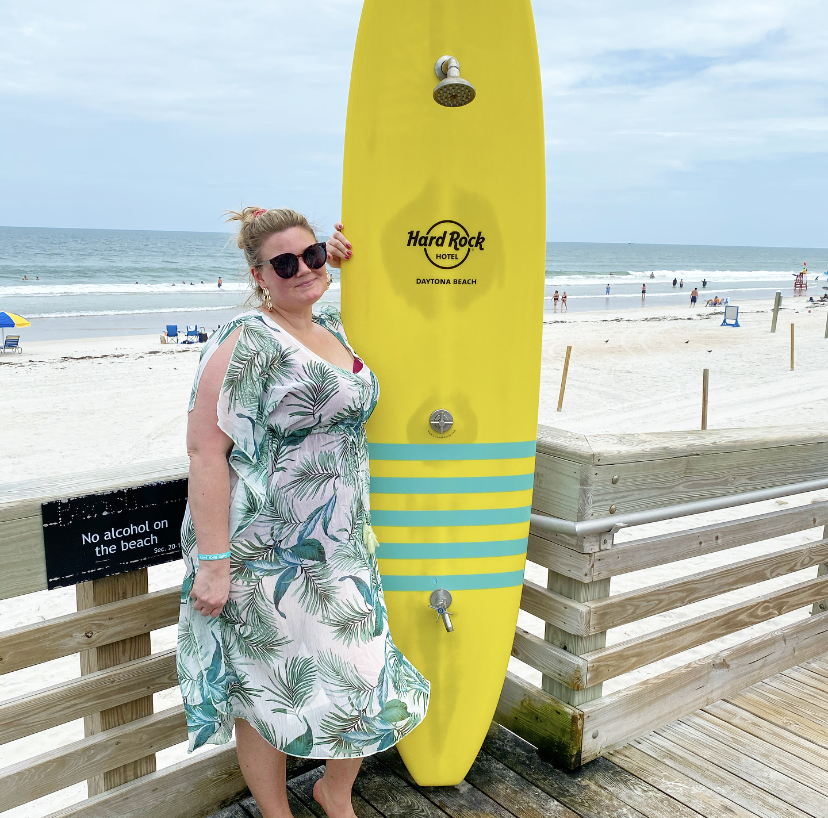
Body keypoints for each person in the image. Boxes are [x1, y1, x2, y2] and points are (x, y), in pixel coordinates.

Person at [179, 207, 429, 818]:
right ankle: (276, 812)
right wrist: (213, 565)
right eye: (284, 263)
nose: (302, 270)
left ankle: (332, 789)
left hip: (340, 545)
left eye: (311, 255)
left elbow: (349, 296)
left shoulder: (335, 328)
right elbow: (206, 453)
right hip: (263, 551)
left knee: (367, 672)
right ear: (258, 274)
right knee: (265, 694)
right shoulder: (245, 342)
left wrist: (340, 262)